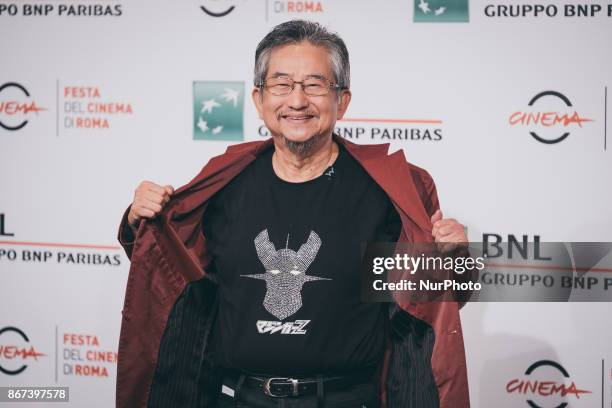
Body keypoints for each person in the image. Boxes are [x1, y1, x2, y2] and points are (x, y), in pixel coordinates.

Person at [116, 20, 471, 408]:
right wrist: (139, 221)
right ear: (258, 99)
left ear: (343, 100)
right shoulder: (224, 185)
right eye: (281, 85)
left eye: (315, 85)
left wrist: (457, 259)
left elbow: (428, 302)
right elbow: (176, 274)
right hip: (237, 399)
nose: (297, 101)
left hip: (347, 400)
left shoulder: (387, 191)